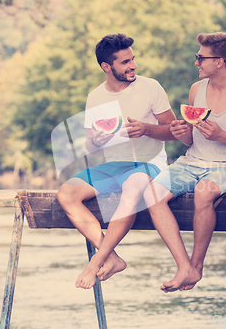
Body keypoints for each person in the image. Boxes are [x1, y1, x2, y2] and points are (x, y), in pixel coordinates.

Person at [144, 32, 226, 293]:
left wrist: (223, 135)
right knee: (152, 193)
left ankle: (197, 266)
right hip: (191, 162)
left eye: (200, 58)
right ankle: (183, 266)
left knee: (204, 192)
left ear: (219, 61)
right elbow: (192, 141)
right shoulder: (196, 90)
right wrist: (183, 134)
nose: (196, 63)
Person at [56, 33, 176, 290]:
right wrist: (96, 142)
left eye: (133, 59)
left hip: (149, 162)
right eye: (125, 62)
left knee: (132, 189)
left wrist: (146, 129)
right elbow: (90, 145)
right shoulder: (95, 96)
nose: (133, 65)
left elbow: (174, 130)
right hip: (112, 165)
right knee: (66, 194)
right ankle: (112, 258)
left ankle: (95, 262)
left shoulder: (151, 87)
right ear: (106, 67)